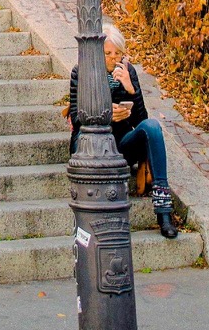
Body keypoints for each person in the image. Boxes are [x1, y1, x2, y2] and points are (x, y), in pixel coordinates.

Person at [67, 23, 179, 238]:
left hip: (121, 144)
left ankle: (163, 209)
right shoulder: (81, 72)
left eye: (117, 53)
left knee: (152, 126)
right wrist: (106, 115)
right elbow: (76, 118)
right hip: (90, 146)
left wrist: (130, 88)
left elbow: (141, 120)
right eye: (108, 53)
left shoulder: (128, 70)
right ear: (98, 52)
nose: (113, 58)